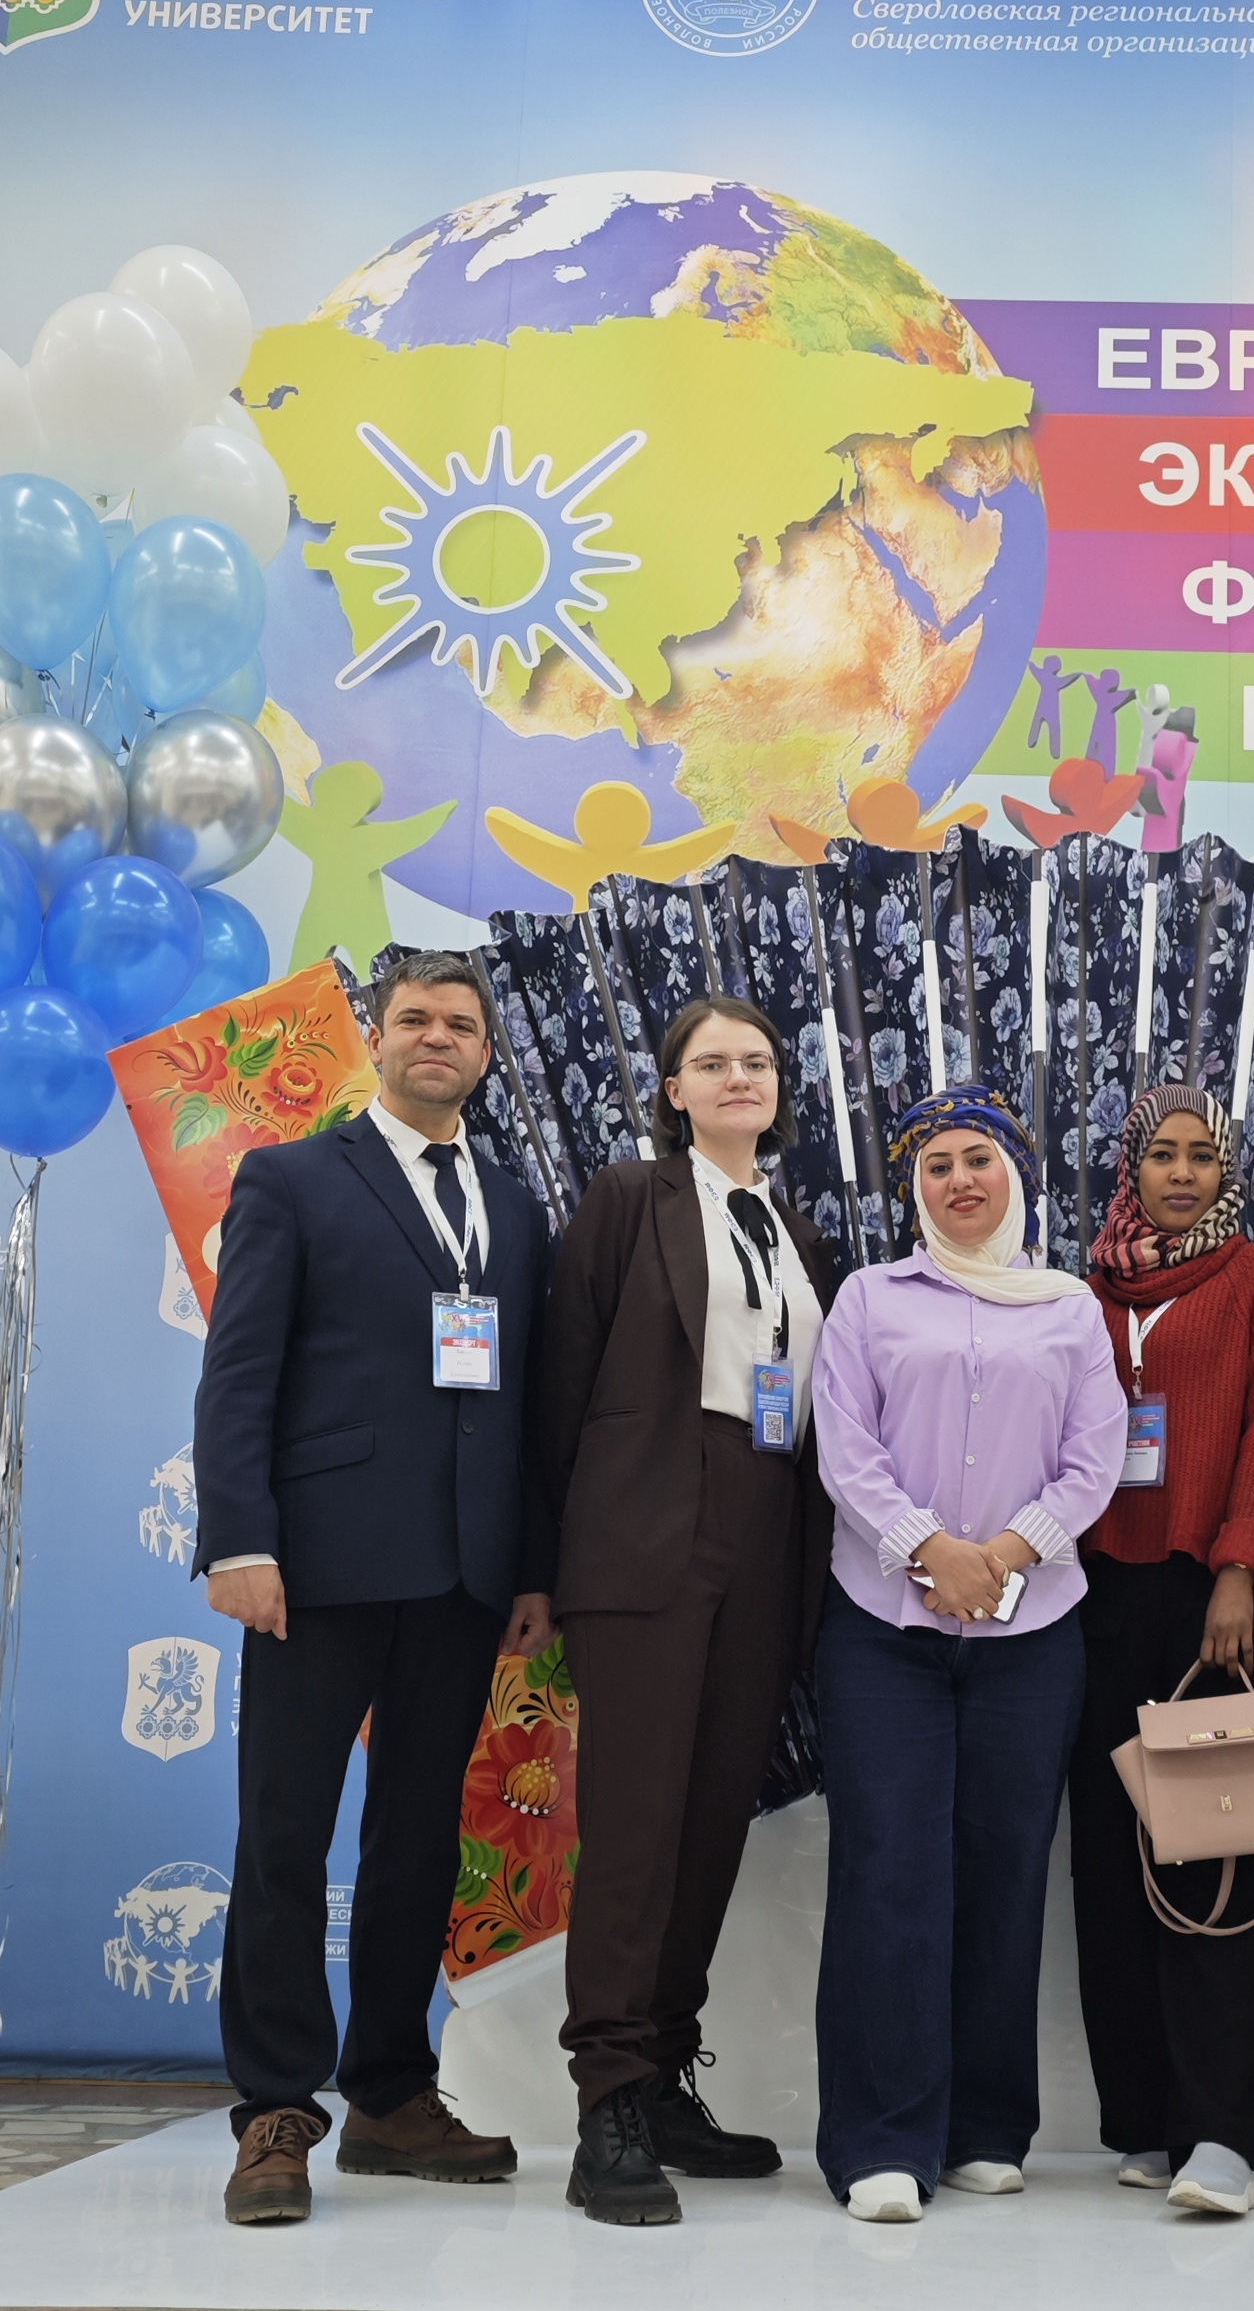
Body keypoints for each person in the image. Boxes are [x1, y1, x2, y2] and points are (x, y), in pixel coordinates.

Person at [193, 951, 555, 2226]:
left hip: (462, 1574)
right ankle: (275, 2110)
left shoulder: (515, 1206)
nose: (436, 1037)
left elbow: (526, 1402)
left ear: (487, 1052)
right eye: (414, 1019)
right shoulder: (291, 1177)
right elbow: (240, 1371)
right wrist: (239, 1539)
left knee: (418, 1840)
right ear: (379, 1039)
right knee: (284, 1833)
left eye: (460, 1022)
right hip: (318, 1566)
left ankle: (392, 2091)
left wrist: (531, 1569)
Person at [539, 995, 835, 2226]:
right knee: (636, 1822)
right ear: (673, 1090)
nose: (736, 1077)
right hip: (645, 1530)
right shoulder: (629, 1198)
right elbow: (561, 1381)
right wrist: (542, 1566)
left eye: (756, 1061)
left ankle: (661, 2075)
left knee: (713, 1816)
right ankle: (605, 2098)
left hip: (766, 1531)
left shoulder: (799, 1227)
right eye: (710, 1063)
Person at [810, 1084, 1128, 2224]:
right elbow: (844, 1448)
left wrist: (1004, 1553)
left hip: (1030, 1630)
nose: (960, 1180)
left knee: (1006, 1869)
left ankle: (987, 2127)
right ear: (914, 1185)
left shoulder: (1070, 1308)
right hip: (883, 1630)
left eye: (978, 1160)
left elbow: (1094, 1459)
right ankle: (880, 2140)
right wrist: (930, 1551)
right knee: (890, 1865)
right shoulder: (869, 1298)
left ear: (1016, 1177)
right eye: (938, 1164)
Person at [1069, 1086, 1254, 2217]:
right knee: (1112, 1864)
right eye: (1161, 1154)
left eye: (1202, 1156)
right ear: (1131, 1168)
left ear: (1228, 1172)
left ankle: (1222, 2135)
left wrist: (1240, 1565)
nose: (1180, 1173)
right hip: (1091, 1597)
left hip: (1217, 1600)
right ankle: (1146, 2120)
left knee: (1220, 1859)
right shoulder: (1084, 1290)